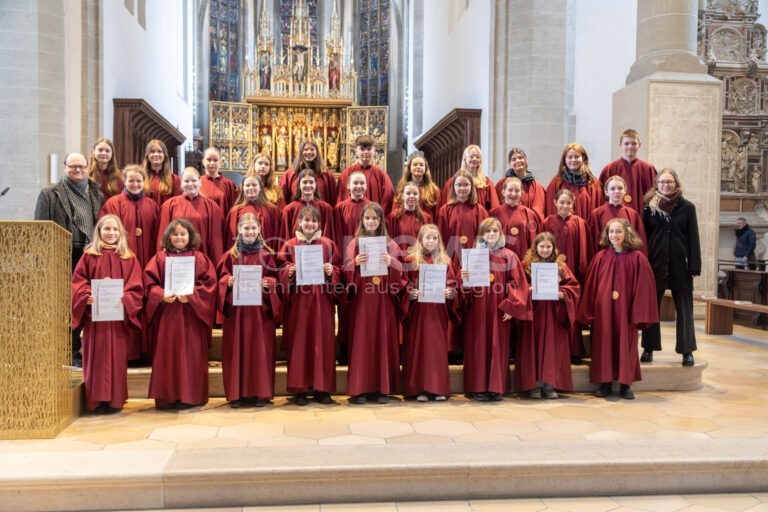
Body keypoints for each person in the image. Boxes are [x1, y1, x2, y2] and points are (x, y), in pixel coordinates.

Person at [35, 152, 105, 367]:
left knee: (85, 302)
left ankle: (84, 349)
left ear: (88, 168)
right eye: (73, 166)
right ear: (65, 168)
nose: (78, 170)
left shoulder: (97, 195)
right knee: (66, 304)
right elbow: (40, 231)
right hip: (62, 256)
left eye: (82, 166)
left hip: (89, 256)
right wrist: (43, 261)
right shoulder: (49, 195)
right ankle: (68, 351)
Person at [577, 219, 658, 399]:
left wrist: (638, 313)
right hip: (603, 311)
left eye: (619, 231)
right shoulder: (600, 257)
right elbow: (591, 287)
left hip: (626, 310)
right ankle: (604, 383)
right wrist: (589, 311)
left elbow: (644, 288)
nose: (614, 235)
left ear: (627, 233)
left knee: (626, 343)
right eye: (611, 232)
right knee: (603, 343)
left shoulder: (638, 258)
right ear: (607, 234)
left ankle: (625, 385)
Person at [71, 215, 143, 413]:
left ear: (121, 233)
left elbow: (136, 286)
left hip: (117, 318)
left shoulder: (129, 258)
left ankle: (114, 401)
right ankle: (95, 401)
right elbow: (78, 282)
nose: (111, 233)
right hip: (95, 319)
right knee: (96, 359)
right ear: (99, 231)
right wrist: (85, 296)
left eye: (115, 229)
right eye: (107, 229)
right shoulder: (89, 256)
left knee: (116, 359)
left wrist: (127, 298)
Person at [144, 219, 217, 409]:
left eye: (183, 234)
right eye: (175, 234)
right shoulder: (159, 258)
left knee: (190, 356)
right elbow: (149, 285)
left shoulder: (200, 259)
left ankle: (190, 396)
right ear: (168, 236)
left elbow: (209, 286)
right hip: (168, 315)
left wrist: (192, 296)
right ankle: (167, 397)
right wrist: (161, 295)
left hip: (191, 316)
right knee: (168, 356)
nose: (179, 237)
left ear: (190, 236)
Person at [459, 217, 532, 401]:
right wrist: (464, 279)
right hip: (476, 309)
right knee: (477, 347)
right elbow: (464, 290)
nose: (491, 234)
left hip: (498, 309)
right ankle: (478, 387)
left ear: (500, 233)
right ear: (481, 234)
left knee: (497, 346)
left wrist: (511, 307)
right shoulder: (473, 255)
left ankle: (496, 387)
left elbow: (517, 284)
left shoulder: (509, 255)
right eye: (488, 231)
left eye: (495, 231)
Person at [278, 205, 342, 406]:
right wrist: (288, 271)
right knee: (300, 343)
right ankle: (300, 389)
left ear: (319, 224)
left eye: (314, 221)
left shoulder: (328, 244)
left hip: (322, 301)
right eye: (306, 220)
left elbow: (339, 270)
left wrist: (332, 272)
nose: (310, 224)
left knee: (322, 344)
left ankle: (322, 390)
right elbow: (280, 269)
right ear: (299, 222)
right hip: (299, 302)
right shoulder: (289, 245)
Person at [216, 213, 281, 408]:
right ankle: (236, 395)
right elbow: (220, 279)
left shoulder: (267, 255)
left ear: (259, 229)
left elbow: (277, 281)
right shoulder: (231, 255)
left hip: (260, 313)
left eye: (253, 228)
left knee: (260, 352)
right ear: (239, 230)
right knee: (237, 351)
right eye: (246, 228)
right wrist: (226, 283)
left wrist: (268, 283)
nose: (250, 232)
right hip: (237, 314)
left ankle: (261, 393)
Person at [343, 202, 405, 404]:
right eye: (367, 218)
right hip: (362, 299)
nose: (370, 221)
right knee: (362, 341)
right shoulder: (354, 244)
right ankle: (360, 388)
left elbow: (401, 271)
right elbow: (345, 270)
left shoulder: (390, 244)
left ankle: (382, 388)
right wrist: (355, 263)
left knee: (382, 339)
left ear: (381, 221)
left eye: (374, 218)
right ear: (362, 220)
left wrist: (391, 263)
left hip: (383, 299)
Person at [640, 169, 701, 367]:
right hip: (655, 264)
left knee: (684, 308)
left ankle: (687, 351)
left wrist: (694, 266)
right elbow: (643, 238)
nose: (666, 185)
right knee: (651, 308)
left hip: (680, 265)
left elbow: (693, 238)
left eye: (669, 182)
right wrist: (642, 264)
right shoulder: (648, 208)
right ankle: (648, 348)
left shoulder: (687, 207)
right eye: (662, 182)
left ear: (676, 183)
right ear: (656, 184)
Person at [516, 232, 580, 399]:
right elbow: (516, 285)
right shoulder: (525, 266)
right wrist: (526, 290)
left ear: (553, 248)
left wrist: (563, 294)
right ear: (535, 247)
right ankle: (534, 385)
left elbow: (573, 287)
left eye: (548, 247)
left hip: (553, 314)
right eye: (542, 246)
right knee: (533, 348)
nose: (545, 250)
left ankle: (550, 384)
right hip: (533, 314)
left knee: (552, 349)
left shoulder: (560, 266)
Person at [402, 224, 458, 402]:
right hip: (417, 312)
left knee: (436, 350)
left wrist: (451, 292)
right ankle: (419, 389)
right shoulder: (411, 260)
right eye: (428, 237)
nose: (431, 241)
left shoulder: (445, 261)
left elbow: (453, 283)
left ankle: (438, 388)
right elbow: (403, 282)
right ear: (420, 239)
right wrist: (410, 291)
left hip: (436, 311)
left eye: (435, 238)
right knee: (418, 349)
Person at [157, 167, 225, 266]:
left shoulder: (212, 207)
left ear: (200, 182)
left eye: (194, 180)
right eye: (186, 181)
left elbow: (216, 242)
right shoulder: (169, 205)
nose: (190, 184)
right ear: (181, 183)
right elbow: (163, 236)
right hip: (176, 260)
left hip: (202, 259)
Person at [100, 165, 160, 270]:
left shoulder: (152, 205)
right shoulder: (112, 204)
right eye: (131, 181)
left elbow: (157, 234)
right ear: (124, 181)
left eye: (139, 181)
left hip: (148, 257)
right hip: (121, 257)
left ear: (144, 182)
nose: (135, 184)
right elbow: (105, 235)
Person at [437, 169, 490, 267]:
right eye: (459, 185)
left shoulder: (480, 211)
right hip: (450, 257)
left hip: (474, 260)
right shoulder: (444, 210)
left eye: (466, 185)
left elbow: (483, 238)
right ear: (453, 186)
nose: (462, 188)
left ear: (471, 187)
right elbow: (441, 237)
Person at [599, 129, 658, 213]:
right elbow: (602, 197)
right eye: (626, 143)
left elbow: (655, 196)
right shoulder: (609, 169)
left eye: (634, 143)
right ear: (620, 145)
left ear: (639, 145)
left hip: (641, 215)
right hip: (615, 216)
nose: (630, 146)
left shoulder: (648, 169)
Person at [586, 175, 647, 257]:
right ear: (606, 192)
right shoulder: (596, 214)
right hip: (605, 258)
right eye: (612, 189)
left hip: (627, 259)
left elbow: (640, 240)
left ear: (625, 191)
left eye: (620, 188)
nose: (617, 191)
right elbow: (591, 242)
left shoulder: (633, 214)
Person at [336, 135, 394, 213]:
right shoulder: (346, 174)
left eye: (369, 149)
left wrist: (379, 217)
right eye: (362, 149)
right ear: (356, 150)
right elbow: (341, 198)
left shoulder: (382, 175)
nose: (366, 152)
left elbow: (387, 200)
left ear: (374, 150)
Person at [545, 143, 603, 219]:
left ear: (583, 158)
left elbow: (598, 210)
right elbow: (550, 208)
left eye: (576, 157)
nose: (573, 160)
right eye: (570, 157)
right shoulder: (556, 183)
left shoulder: (593, 184)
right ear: (565, 160)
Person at [490, 176, 542, 260]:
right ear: (503, 192)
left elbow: (534, 242)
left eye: (517, 191)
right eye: (510, 190)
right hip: (500, 261)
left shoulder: (530, 214)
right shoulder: (493, 214)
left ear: (521, 193)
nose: (513, 194)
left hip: (523, 261)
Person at [225, 174, 281, 252]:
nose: (251, 188)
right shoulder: (234, 212)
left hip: (266, 256)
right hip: (241, 257)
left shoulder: (272, 211)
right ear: (243, 188)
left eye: (254, 185)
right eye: (247, 185)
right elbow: (230, 241)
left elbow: (277, 238)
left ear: (260, 188)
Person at [280, 169, 334, 242]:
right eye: (304, 182)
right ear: (299, 185)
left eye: (311, 182)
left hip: (319, 248)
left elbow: (328, 236)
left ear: (316, 185)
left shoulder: (326, 208)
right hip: (295, 248)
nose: (308, 185)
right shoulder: (289, 210)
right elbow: (285, 237)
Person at [441, 145, 500, 212]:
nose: (474, 159)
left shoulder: (486, 182)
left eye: (477, 157)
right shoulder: (452, 182)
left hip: (480, 216)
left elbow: (494, 207)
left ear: (480, 161)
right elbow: (446, 207)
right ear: (465, 159)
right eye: (471, 156)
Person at [282, 139, 338, 206]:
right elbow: (283, 199)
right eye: (306, 149)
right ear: (300, 152)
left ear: (317, 152)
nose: (309, 152)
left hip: (320, 211)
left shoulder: (327, 174)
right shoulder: (290, 174)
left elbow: (333, 199)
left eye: (312, 149)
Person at [494, 148, 546, 219]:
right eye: (513, 159)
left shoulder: (537, 187)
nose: (517, 161)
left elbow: (538, 212)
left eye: (520, 158)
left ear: (526, 160)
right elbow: (496, 209)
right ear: (510, 163)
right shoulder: (501, 184)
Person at [387, 181, 433, 253]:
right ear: (402, 196)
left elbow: (429, 241)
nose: (412, 196)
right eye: (408, 193)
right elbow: (389, 241)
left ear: (419, 196)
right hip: (399, 257)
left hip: (420, 257)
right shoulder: (392, 217)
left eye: (415, 193)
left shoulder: (426, 218)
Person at [332, 171, 370, 254]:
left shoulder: (372, 208)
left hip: (367, 252)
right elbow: (337, 236)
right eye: (355, 183)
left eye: (362, 183)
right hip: (346, 253)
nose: (359, 186)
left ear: (366, 186)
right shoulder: (339, 209)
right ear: (348, 185)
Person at [395, 152, 442, 220]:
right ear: (409, 168)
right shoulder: (401, 188)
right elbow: (395, 210)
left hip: (427, 224)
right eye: (415, 164)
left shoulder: (434, 190)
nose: (418, 167)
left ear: (425, 168)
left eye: (421, 165)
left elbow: (438, 214)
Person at [200, 147, 237, 216]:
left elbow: (234, 209)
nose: (212, 163)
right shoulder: (198, 182)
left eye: (215, 160)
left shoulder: (229, 184)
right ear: (203, 161)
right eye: (208, 160)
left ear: (220, 162)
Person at [143, 139, 180, 207]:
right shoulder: (141, 178)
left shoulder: (175, 179)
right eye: (152, 151)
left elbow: (177, 205)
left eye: (159, 151)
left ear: (164, 155)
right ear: (147, 155)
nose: (156, 154)